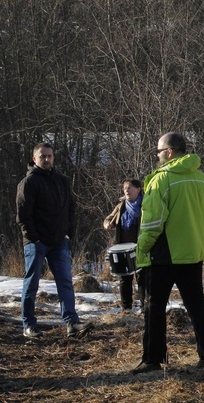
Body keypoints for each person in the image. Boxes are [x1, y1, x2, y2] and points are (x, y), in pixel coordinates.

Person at [131, 132, 204, 374]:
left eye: (158, 151)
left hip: (162, 254)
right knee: (196, 304)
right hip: (191, 253)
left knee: (154, 305)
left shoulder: (161, 180)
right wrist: (199, 235)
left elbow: (152, 223)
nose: (157, 156)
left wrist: (142, 248)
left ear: (169, 152)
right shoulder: (203, 179)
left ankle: (153, 359)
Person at [16, 142, 94, 339]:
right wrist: (34, 237)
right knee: (32, 283)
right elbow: (23, 215)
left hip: (59, 241)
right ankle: (29, 325)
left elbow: (71, 208)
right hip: (37, 242)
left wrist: (68, 233)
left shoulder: (61, 180)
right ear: (34, 159)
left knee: (65, 283)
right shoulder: (29, 182)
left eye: (50, 156)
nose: (47, 159)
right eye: (42, 156)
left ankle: (72, 323)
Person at [103, 179, 147, 312]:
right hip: (122, 249)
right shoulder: (121, 206)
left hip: (141, 247)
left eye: (130, 187)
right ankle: (126, 309)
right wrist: (107, 224)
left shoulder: (146, 204)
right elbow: (108, 218)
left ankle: (145, 309)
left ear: (138, 189)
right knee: (124, 279)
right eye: (125, 188)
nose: (127, 190)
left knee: (143, 279)